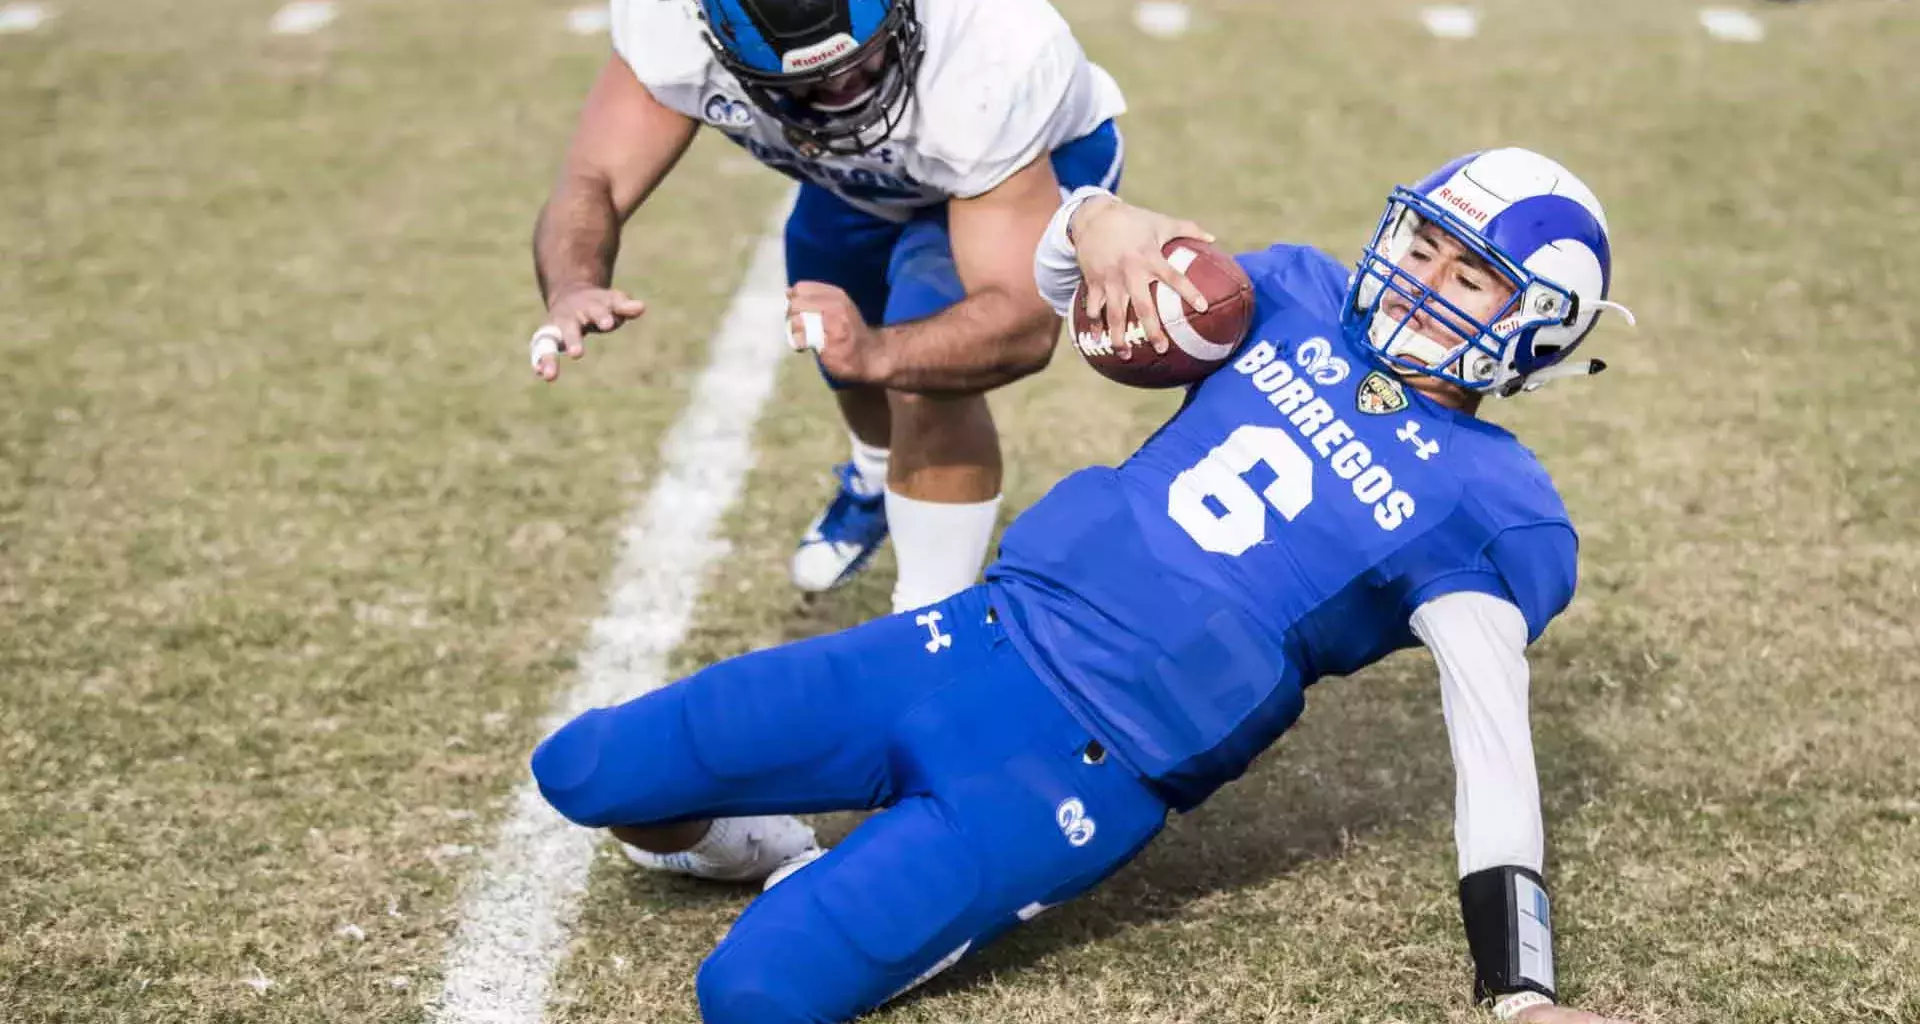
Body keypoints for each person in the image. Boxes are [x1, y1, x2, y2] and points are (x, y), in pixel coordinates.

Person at [530, 147, 1638, 1024]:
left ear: (1539, 329)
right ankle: (760, 844)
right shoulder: (1295, 291)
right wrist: (1097, 221)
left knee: (751, 995)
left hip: (1080, 766)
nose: (1426, 281)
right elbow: (1062, 280)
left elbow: (1492, 739)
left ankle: (877, 892)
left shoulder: (1493, 506)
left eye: (1472, 273)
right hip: (974, 636)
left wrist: (1521, 989)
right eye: (1429, 244)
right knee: (582, 767)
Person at [527, 0, 1137, 616]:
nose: (845, 90)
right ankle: (874, 476)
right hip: (859, 180)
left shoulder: (993, 48)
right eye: (810, 84)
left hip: (1023, 158)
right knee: (832, 333)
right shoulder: (671, 25)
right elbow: (595, 176)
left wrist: (878, 352)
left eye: (864, 60)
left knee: (924, 374)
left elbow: (1018, 327)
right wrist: (573, 285)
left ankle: (929, 625)